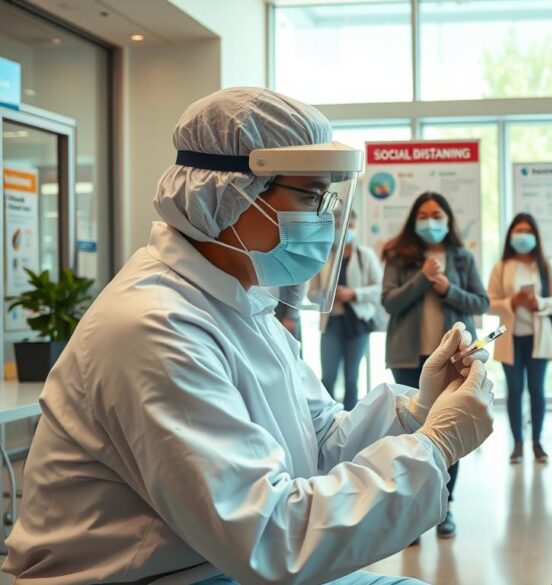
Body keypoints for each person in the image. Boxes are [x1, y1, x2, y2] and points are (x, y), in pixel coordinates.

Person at [2, 88, 495, 585]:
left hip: (211, 563)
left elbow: (318, 441)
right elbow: (269, 539)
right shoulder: (155, 325)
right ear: (230, 192)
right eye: (309, 195)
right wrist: (433, 447)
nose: (323, 218)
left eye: (327, 198)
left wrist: (416, 412)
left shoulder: (242, 302)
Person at [381, 191, 490, 539]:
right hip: (408, 357)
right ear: (414, 219)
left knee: (448, 430)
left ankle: (444, 506)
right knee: (413, 432)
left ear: (448, 219)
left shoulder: (462, 258)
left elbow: (481, 301)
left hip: (451, 360)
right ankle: (413, 513)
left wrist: (447, 290)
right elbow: (390, 302)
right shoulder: (399, 257)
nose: (431, 221)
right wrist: (422, 278)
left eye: (437, 214)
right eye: (424, 214)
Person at [488, 213, 552, 464]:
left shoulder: (544, 265)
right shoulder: (501, 267)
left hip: (537, 337)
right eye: (518, 230)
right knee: (515, 391)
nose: (522, 235)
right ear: (511, 235)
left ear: (535, 236)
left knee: (537, 391)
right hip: (510, 338)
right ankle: (517, 443)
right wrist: (512, 302)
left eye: (527, 231)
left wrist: (539, 302)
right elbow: (489, 303)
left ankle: (537, 443)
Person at [310, 210, 382, 410]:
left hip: (357, 324)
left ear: (356, 227)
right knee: (328, 377)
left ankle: (351, 422)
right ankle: (325, 421)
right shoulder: (323, 255)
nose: (345, 231)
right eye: (340, 226)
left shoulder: (364, 255)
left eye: (350, 226)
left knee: (352, 379)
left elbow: (378, 288)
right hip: (332, 323)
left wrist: (353, 293)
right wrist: (329, 295)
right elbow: (311, 293)